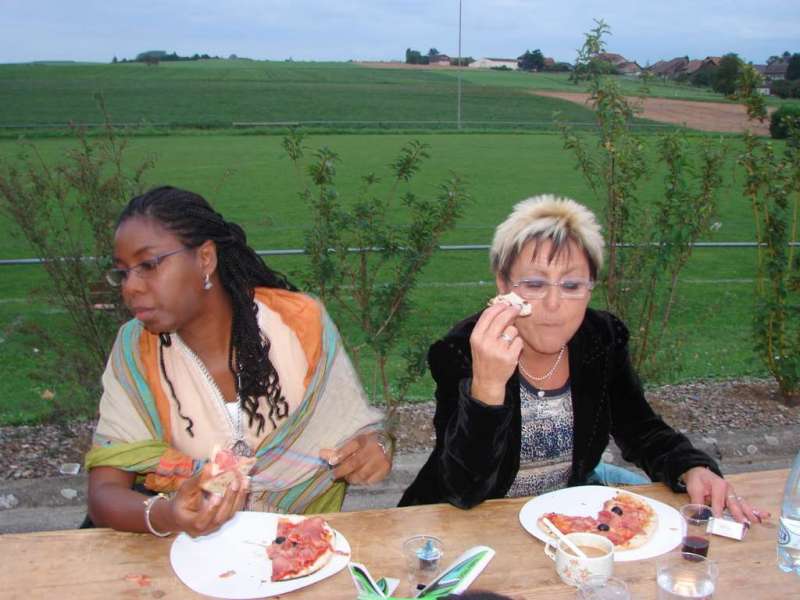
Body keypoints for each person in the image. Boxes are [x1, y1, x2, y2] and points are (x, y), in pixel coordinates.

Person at [400, 195, 768, 525]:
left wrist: (691, 466)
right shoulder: (463, 350)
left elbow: (639, 427)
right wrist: (488, 388)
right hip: (458, 526)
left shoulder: (600, 339)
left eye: (572, 285)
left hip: (563, 521)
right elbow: (464, 490)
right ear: (503, 285)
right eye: (534, 283)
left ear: (591, 285)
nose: (555, 305)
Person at [86, 186, 392, 538]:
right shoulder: (135, 350)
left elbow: (362, 434)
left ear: (205, 259)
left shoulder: (298, 323)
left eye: (149, 265)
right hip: (191, 556)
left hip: (298, 550)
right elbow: (103, 492)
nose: (130, 287)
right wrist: (169, 514)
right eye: (122, 272)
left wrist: (376, 450)